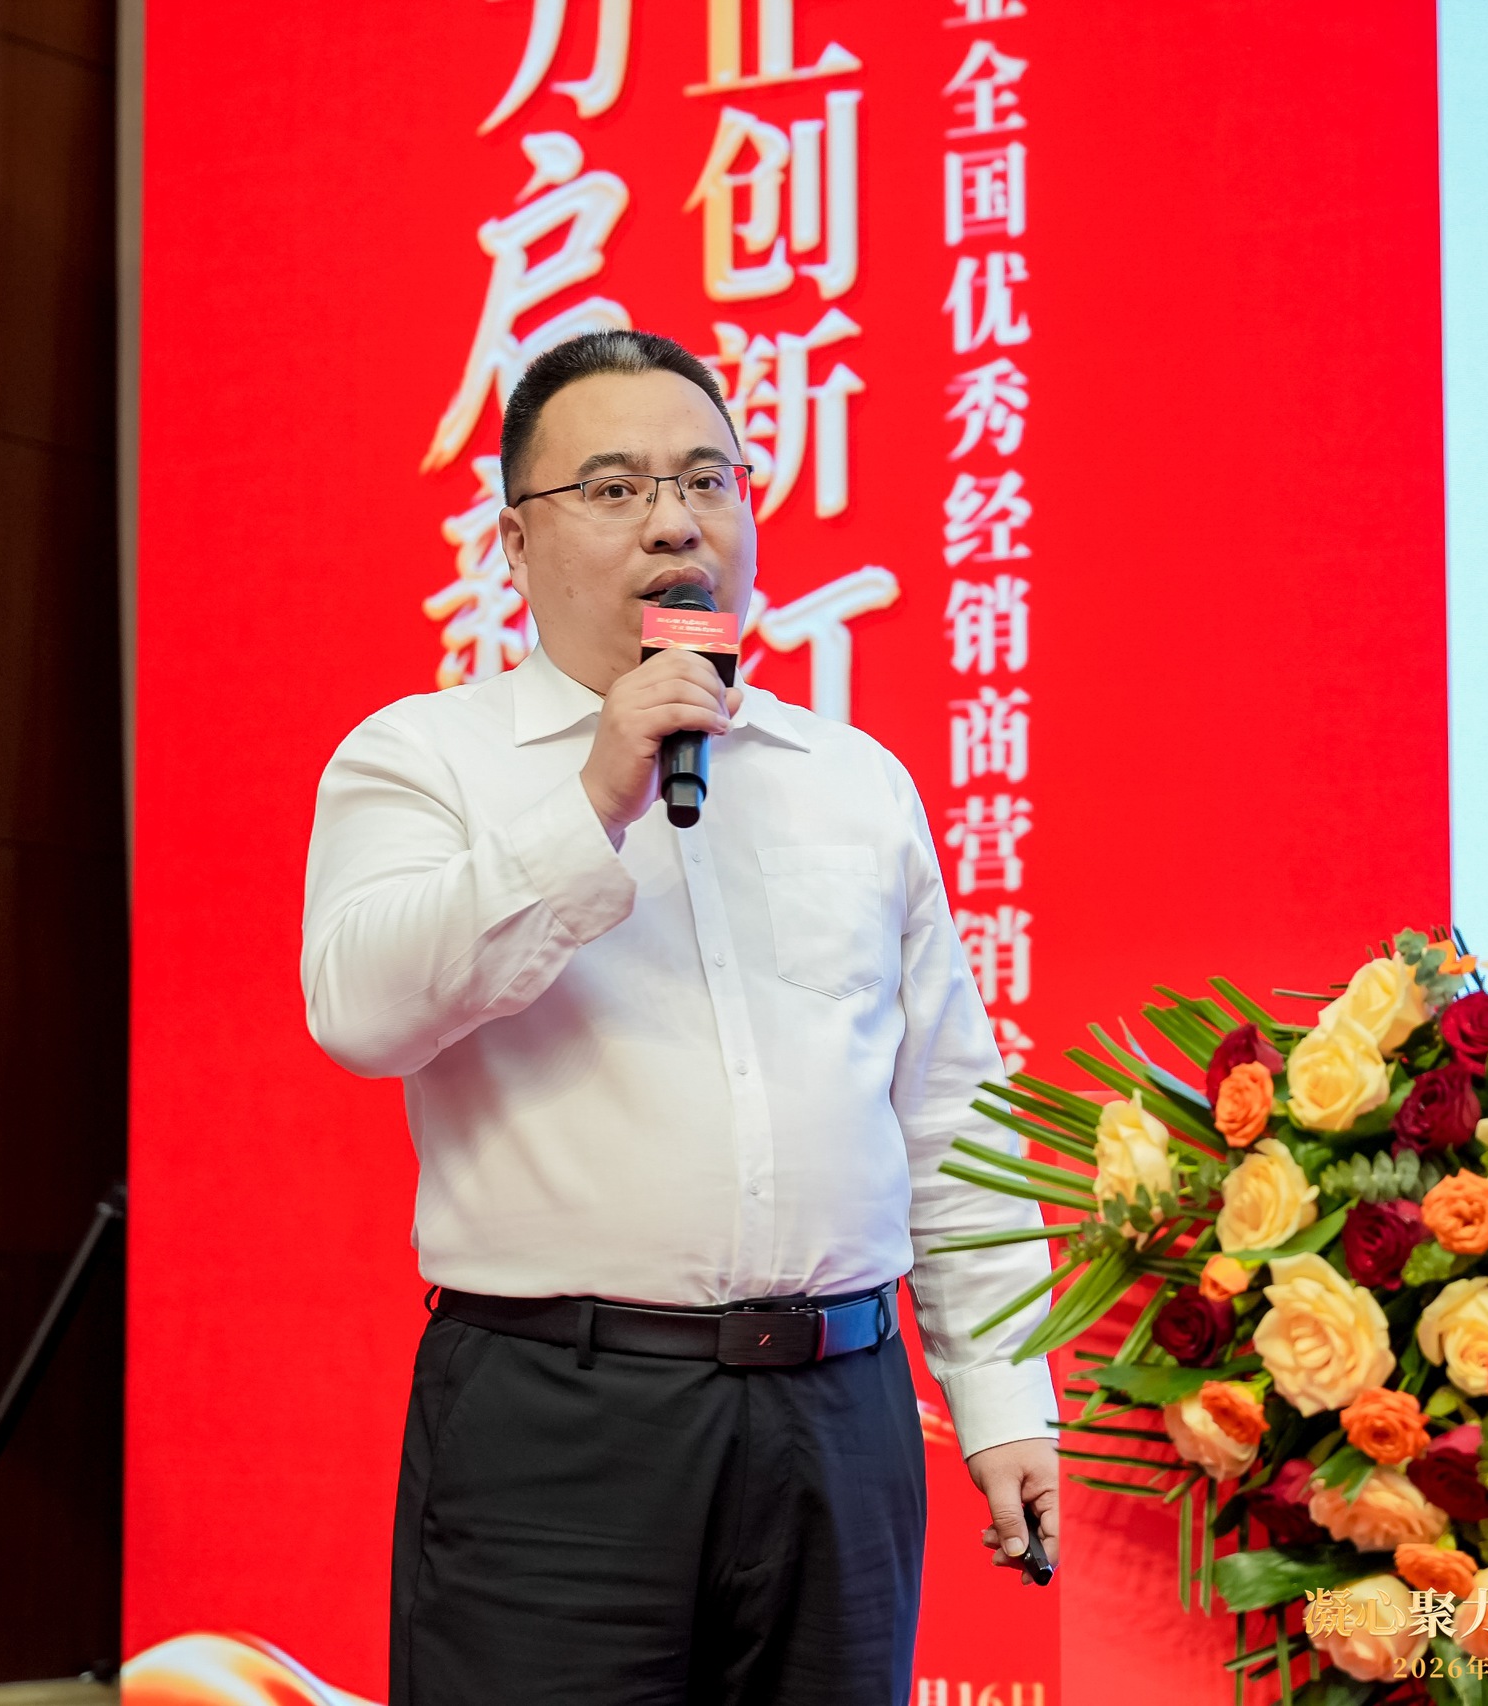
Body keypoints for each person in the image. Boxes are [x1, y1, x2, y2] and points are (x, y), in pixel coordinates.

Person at [300, 329, 1059, 1706]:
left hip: (841, 1417)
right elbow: (361, 1009)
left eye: (707, 480)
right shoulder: (423, 758)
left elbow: (950, 1115)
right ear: (515, 543)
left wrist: (1004, 1399)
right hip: (559, 1426)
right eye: (613, 489)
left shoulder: (852, 781)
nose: (672, 522)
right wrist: (594, 796)